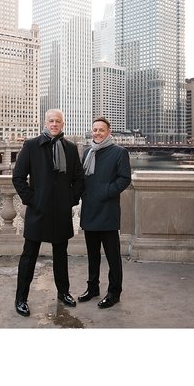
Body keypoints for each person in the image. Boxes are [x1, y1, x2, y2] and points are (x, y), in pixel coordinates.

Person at [12, 109, 84, 317]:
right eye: (51, 121)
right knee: (29, 256)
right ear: (45, 122)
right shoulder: (32, 145)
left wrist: (70, 199)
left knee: (61, 255)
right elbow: (18, 177)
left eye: (58, 121)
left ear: (63, 124)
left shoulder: (70, 148)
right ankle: (21, 299)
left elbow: (79, 179)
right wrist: (32, 200)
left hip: (61, 212)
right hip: (38, 211)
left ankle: (63, 292)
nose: (54, 124)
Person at [77, 116, 131, 309]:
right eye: (95, 130)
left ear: (109, 132)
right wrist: (83, 193)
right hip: (90, 210)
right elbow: (82, 178)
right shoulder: (87, 152)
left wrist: (105, 192)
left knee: (113, 257)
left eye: (101, 130)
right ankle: (92, 288)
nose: (97, 133)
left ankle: (114, 292)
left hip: (108, 211)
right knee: (92, 255)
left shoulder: (119, 152)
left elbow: (124, 179)